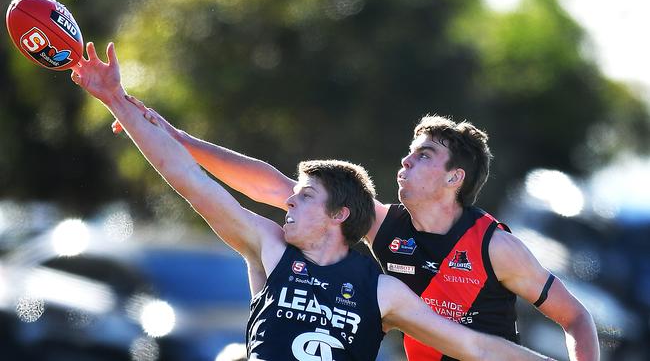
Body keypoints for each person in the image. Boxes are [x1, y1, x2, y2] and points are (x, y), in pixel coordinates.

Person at [70, 41, 553, 361]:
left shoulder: (380, 289)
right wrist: (116, 99)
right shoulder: (269, 247)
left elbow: (474, 345)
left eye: (303, 198)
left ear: (339, 215)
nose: (288, 204)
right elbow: (188, 180)